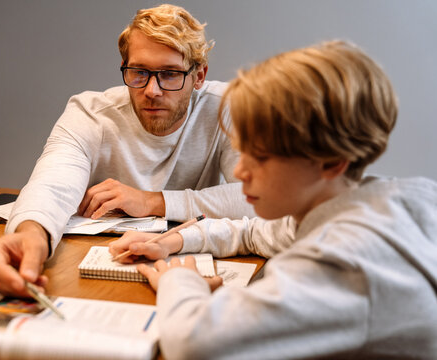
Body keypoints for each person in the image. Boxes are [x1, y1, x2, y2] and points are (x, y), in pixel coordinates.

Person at [109, 41, 437, 359]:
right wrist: (175, 241)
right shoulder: (383, 201)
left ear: (331, 161)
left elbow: (193, 345)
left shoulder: (347, 262)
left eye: (261, 157)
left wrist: (178, 279)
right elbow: (256, 232)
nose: (240, 170)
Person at [0, 4, 266, 296]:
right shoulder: (90, 113)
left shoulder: (227, 106)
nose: (152, 90)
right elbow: (52, 184)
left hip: (186, 261)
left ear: (199, 76)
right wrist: (32, 235)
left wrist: (152, 201)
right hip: (93, 267)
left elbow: (258, 198)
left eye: (169, 74)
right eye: (139, 72)